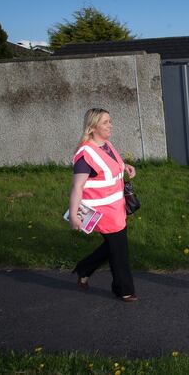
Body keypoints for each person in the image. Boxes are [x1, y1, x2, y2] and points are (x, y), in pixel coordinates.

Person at [68, 108, 138, 302]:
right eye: (106, 122)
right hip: (102, 212)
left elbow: (110, 163)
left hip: (116, 207)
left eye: (110, 121)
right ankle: (123, 289)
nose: (111, 125)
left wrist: (125, 166)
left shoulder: (105, 144)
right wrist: (74, 214)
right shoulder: (85, 155)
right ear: (93, 127)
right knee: (119, 250)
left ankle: (84, 269)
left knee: (113, 246)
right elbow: (77, 186)